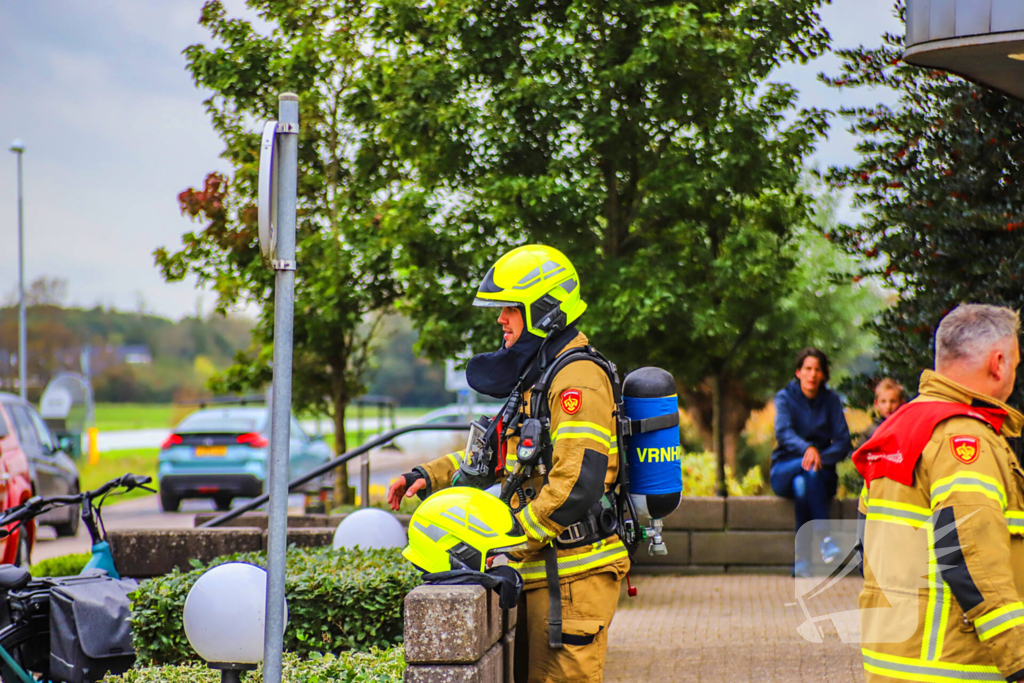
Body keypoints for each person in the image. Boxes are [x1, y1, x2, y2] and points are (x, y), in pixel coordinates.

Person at [387, 244, 628, 683]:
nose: (501, 319)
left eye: (511, 309)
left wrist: (512, 539)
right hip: (549, 572)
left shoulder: (576, 379)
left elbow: (578, 482)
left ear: (544, 309)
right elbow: (501, 454)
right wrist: (428, 475)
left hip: (574, 578)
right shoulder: (543, 374)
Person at [854, 304, 1024, 681]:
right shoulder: (963, 437)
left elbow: (868, 540)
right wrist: (1019, 658)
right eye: (1015, 361)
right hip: (951, 662)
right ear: (998, 363)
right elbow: (969, 555)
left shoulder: (900, 427)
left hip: (895, 658)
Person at [770, 348, 853, 574]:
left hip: (822, 474)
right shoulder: (785, 398)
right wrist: (808, 449)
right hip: (784, 469)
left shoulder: (832, 400)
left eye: (818, 370)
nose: (812, 374)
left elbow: (844, 442)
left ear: (824, 375)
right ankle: (826, 539)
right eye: (807, 369)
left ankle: (802, 561)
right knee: (801, 478)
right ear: (798, 372)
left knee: (803, 484)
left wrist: (819, 457)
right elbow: (784, 433)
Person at [857, 378, 906, 445]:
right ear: (876, 403)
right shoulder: (870, 433)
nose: (888, 406)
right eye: (883, 402)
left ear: (901, 402)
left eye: (893, 401)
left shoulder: (908, 428)